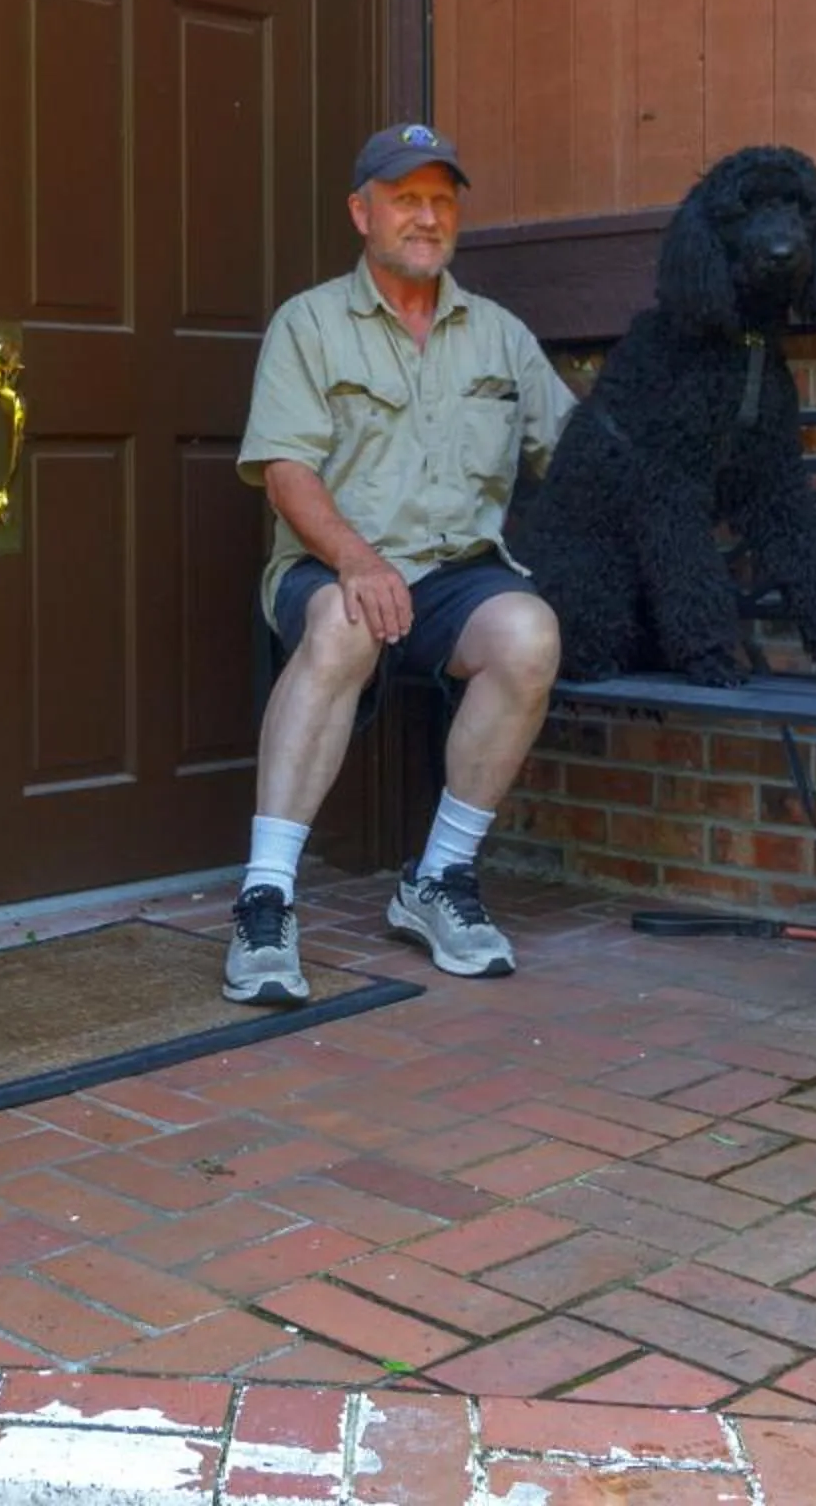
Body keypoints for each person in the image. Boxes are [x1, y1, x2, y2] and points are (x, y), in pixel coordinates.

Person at [227, 123, 576, 1004]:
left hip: (457, 573)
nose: (425, 217)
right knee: (346, 625)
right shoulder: (310, 323)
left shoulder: (500, 337)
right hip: (331, 563)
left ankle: (438, 879)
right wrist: (358, 561)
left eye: (441, 200)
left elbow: (575, 461)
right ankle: (265, 898)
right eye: (405, 199)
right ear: (362, 212)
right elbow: (286, 472)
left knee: (530, 634)